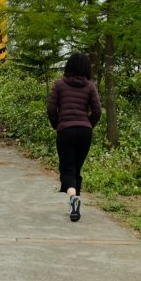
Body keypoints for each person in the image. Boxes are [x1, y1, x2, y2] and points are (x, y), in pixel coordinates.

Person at [46, 53, 102, 222]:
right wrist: (88, 124)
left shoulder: (59, 85)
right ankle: (74, 205)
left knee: (67, 169)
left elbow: (51, 108)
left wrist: (57, 124)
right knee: (76, 168)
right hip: (85, 132)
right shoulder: (90, 87)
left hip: (66, 131)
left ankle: (73, 199)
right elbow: (97, 111)